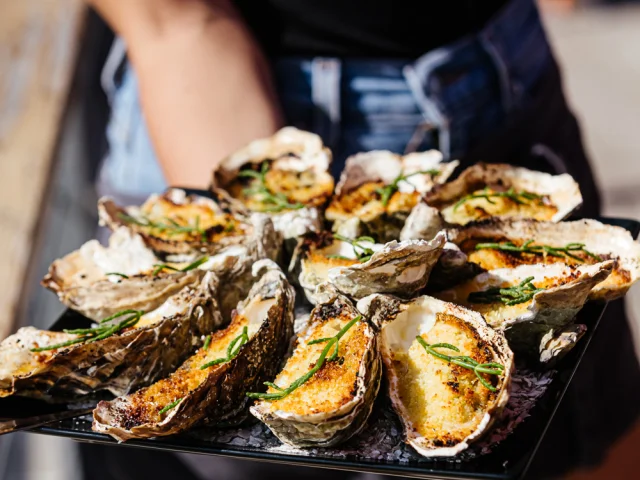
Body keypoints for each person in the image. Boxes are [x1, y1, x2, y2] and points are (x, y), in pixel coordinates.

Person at [81, 0, 640, 478]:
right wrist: (263, 252)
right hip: (220, 104)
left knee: (587, 450)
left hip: (503, 81)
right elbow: (172, 18)